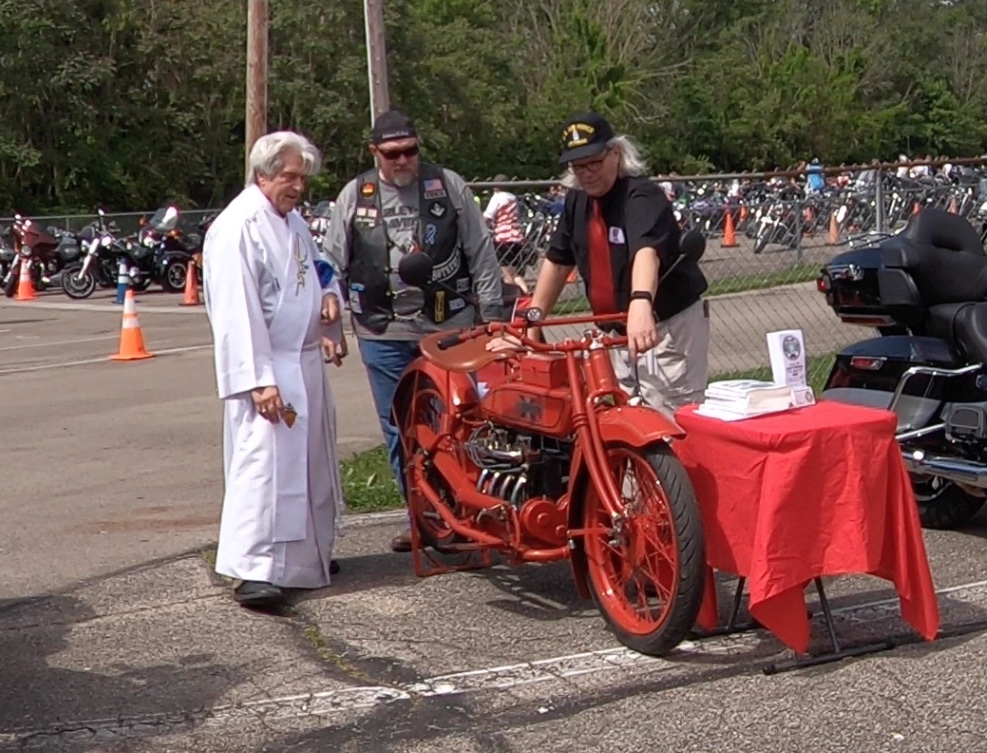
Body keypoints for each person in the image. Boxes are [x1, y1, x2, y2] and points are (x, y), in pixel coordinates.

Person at [323, 109, 504, 553]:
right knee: (399, 427)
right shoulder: (354, 195)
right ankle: (422, 517)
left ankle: (465, 514)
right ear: (375, 153)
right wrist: (332, 324)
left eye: (411, 151)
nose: (403, 161)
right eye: (393, 154)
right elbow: (331, 263)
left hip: (449, 328)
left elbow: (480, 249)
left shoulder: (448, 185)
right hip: (382, 330)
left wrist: (493, 313)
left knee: (458, 422)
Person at [202, 130, 348, 610]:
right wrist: (257, 379)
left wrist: (329, 303)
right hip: (269, 367)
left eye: (303, 179)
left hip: (303, 363)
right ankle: (254, 568)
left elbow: (320, 269)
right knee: (264, 467)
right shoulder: (237, 227)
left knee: (309, 465)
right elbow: (236, 313)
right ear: (263, 175)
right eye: (290, 177)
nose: (299, 187)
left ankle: (305, 556)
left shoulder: (293, 223)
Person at [491, 112, 710, 413]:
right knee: (619, 417)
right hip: (615, 331)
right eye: (578, 167)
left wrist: (642, 303)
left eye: (593, 162)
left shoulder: (641, 195)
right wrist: (532, 320)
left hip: (665, 326)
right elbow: (557, 261)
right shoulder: (576, 201)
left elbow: (646, 251)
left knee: (670, 419)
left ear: (616, 154)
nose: (587, 173)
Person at [483, 175, 531, 293]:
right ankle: (525, 292)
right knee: (514, 272)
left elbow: (488, 216)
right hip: (516, 237)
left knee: (506, 274)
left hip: (503, 238)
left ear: (496, 186)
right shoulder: (513, 198)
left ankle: (513, 298)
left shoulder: (497, 197)